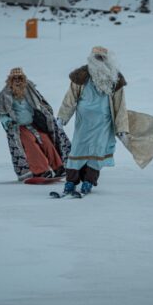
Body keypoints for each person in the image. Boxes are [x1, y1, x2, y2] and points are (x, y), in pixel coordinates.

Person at [58, 46, 130, 194]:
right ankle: (71, 182)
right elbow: (70, 99)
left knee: (96, 153)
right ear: (91, 58)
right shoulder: (81, 75)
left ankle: (88, 182)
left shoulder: (115, 78)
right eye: (96, 58)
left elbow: (120, 106)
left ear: (107, 60)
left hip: (103, 124)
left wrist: (122, 129)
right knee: (78, 150)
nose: (99, 61)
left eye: (102, 58)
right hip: (83, 123)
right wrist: (62, 117)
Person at [0, 67, 70, 181]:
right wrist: (8, 122)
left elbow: (41, 102)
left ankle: (58, 167)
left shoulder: (30, 90)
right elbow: (3, 114)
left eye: (20, 77)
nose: (17, 80)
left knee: (46, 141)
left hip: (33, 124)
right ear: (10, 80)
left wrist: (46, 112)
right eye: (14, 78)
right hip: (19, 127)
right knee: (30, 143)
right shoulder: (4, 95)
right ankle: (41, 170)